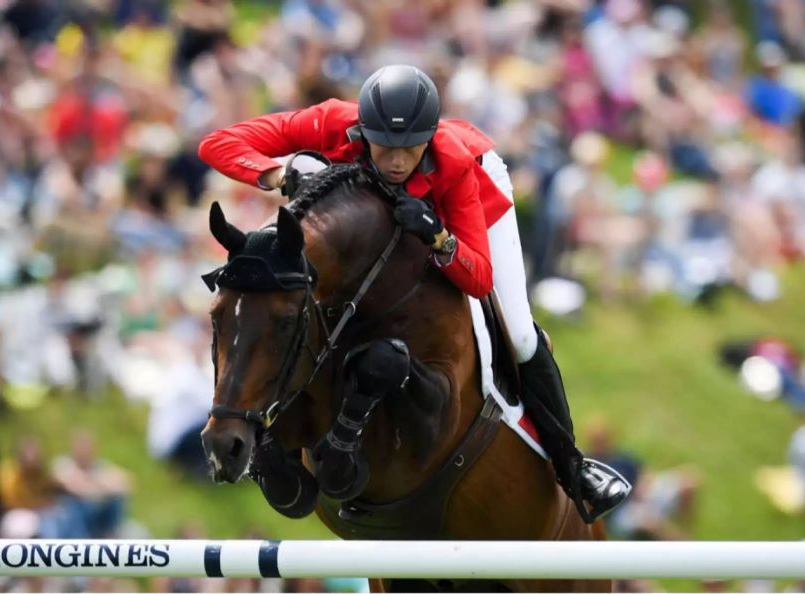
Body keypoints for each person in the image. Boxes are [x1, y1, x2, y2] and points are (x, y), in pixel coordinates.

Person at [198, 64, 630, 521]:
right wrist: (276, 174)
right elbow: (217, 144)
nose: (399, 161)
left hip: (473, 201)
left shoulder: (453, 162)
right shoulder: (330, 120)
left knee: (521, 335)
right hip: (364, 227)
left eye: (411, 148)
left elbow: (479, 277)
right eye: (386, 146)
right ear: (363, 132)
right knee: (306, 169)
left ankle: (572, 465)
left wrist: (439, 238)